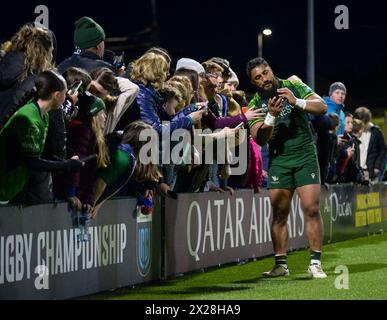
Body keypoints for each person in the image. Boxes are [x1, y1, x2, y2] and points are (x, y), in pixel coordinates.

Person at [246, 57, 328, 278]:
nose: (264, 78)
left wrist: (296, 101)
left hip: (304, 155)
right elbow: (260, 139)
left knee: (311, 208)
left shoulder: (293, 85)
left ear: (271, 70)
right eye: (258, 77)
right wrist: (271, 116)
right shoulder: (254, 105)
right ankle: (281, 265)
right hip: (279, 160)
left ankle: (315, 263)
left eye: (266, 72)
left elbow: (322, 107)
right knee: (279, 213)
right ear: (253, 83)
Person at [0, 71, 84, 204]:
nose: (67, 97)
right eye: (65, 93)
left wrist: (67, 162)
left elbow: (40, 155)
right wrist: (65, 165)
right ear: (57, 95)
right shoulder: (29, 119)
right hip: (3, 186)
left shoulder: (43, 115)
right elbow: (32, 162)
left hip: (9, 189)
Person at [0, 23, 55, 127]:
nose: (51, 57)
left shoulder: (5, 59)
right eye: (50, 52)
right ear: (43, 53)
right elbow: (16, 108)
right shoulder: (33, 78)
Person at [354, 106, 386, 182]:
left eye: (364, 121)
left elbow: (383, 150)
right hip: (356, 170)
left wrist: (377, 166)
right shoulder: (353, 131)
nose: (362, 124)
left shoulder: (376, 131)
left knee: (372, 193)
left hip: (371, 170)